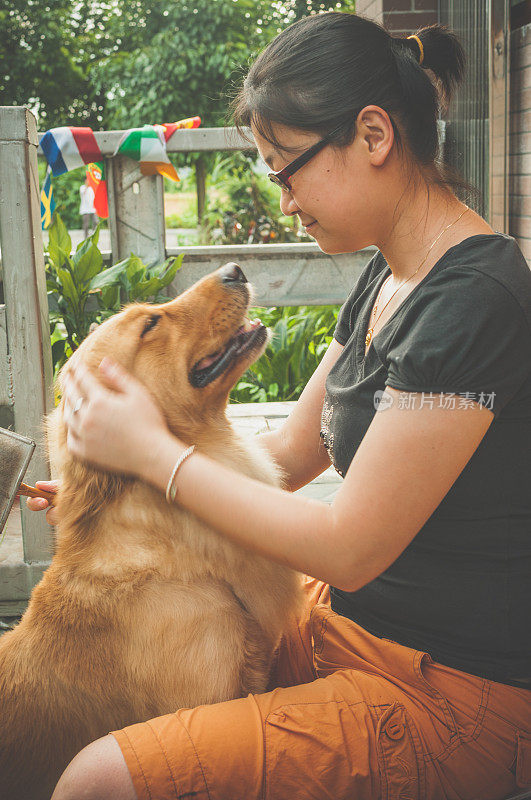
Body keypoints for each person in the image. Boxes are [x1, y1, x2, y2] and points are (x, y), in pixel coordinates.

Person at [30, 13, 530, 800]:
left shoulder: (474, 298)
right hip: (352, 633)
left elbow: (346, 547)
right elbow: (292, 457)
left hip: (445, 695)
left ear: (372, 135)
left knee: (97, 780)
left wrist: (155, 456)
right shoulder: (389, 277)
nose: (284, 199)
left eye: (284, 169)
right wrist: (122, 494)